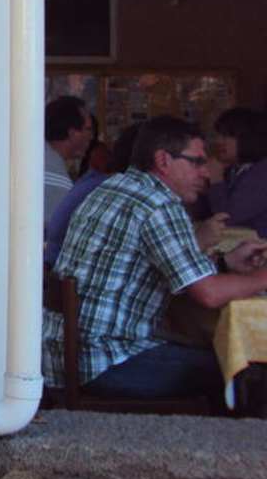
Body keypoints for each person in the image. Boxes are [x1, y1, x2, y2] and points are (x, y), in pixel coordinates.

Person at [44, 115, 267, 402]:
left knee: (218, 355)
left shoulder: (116, 187)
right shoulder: (159, 205)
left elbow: (174, 269)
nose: (206, 173)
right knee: (246, 370)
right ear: (163, 160)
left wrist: (226, 263)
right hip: (107, 360)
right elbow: (209, 294)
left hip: (65, 354)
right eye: (197, 162)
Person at [44, 124, 139, 266]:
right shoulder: (111, 191)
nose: (89, 137)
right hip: (56, 265)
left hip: (55, 267)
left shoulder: (92, 183)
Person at [204, 107, 267, 238]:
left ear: (248, 138)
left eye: (226, 136)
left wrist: (216, 178)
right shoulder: (235, 169)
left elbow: (226, 218)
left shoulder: (262, 172)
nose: (218, 141)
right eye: (218, 135)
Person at [44, 95, 92, 225]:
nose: (91, 137)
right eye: (88, 129)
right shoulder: (57, 182)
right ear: (72, 133)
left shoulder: (36, 158)